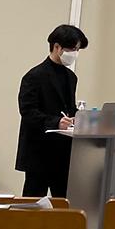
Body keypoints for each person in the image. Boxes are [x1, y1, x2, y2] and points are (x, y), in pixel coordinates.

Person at [16, 24, 87, 197]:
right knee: (34, 203)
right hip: (39, 152)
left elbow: (69, 108)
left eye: (77, 50)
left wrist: (80, 117)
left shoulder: (71, 77)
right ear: (57, 47)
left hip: (63, 153)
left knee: (64, 203)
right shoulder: (34, 76)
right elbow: (28, 112)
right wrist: (56, 122)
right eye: (72, 49)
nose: (75, 53)